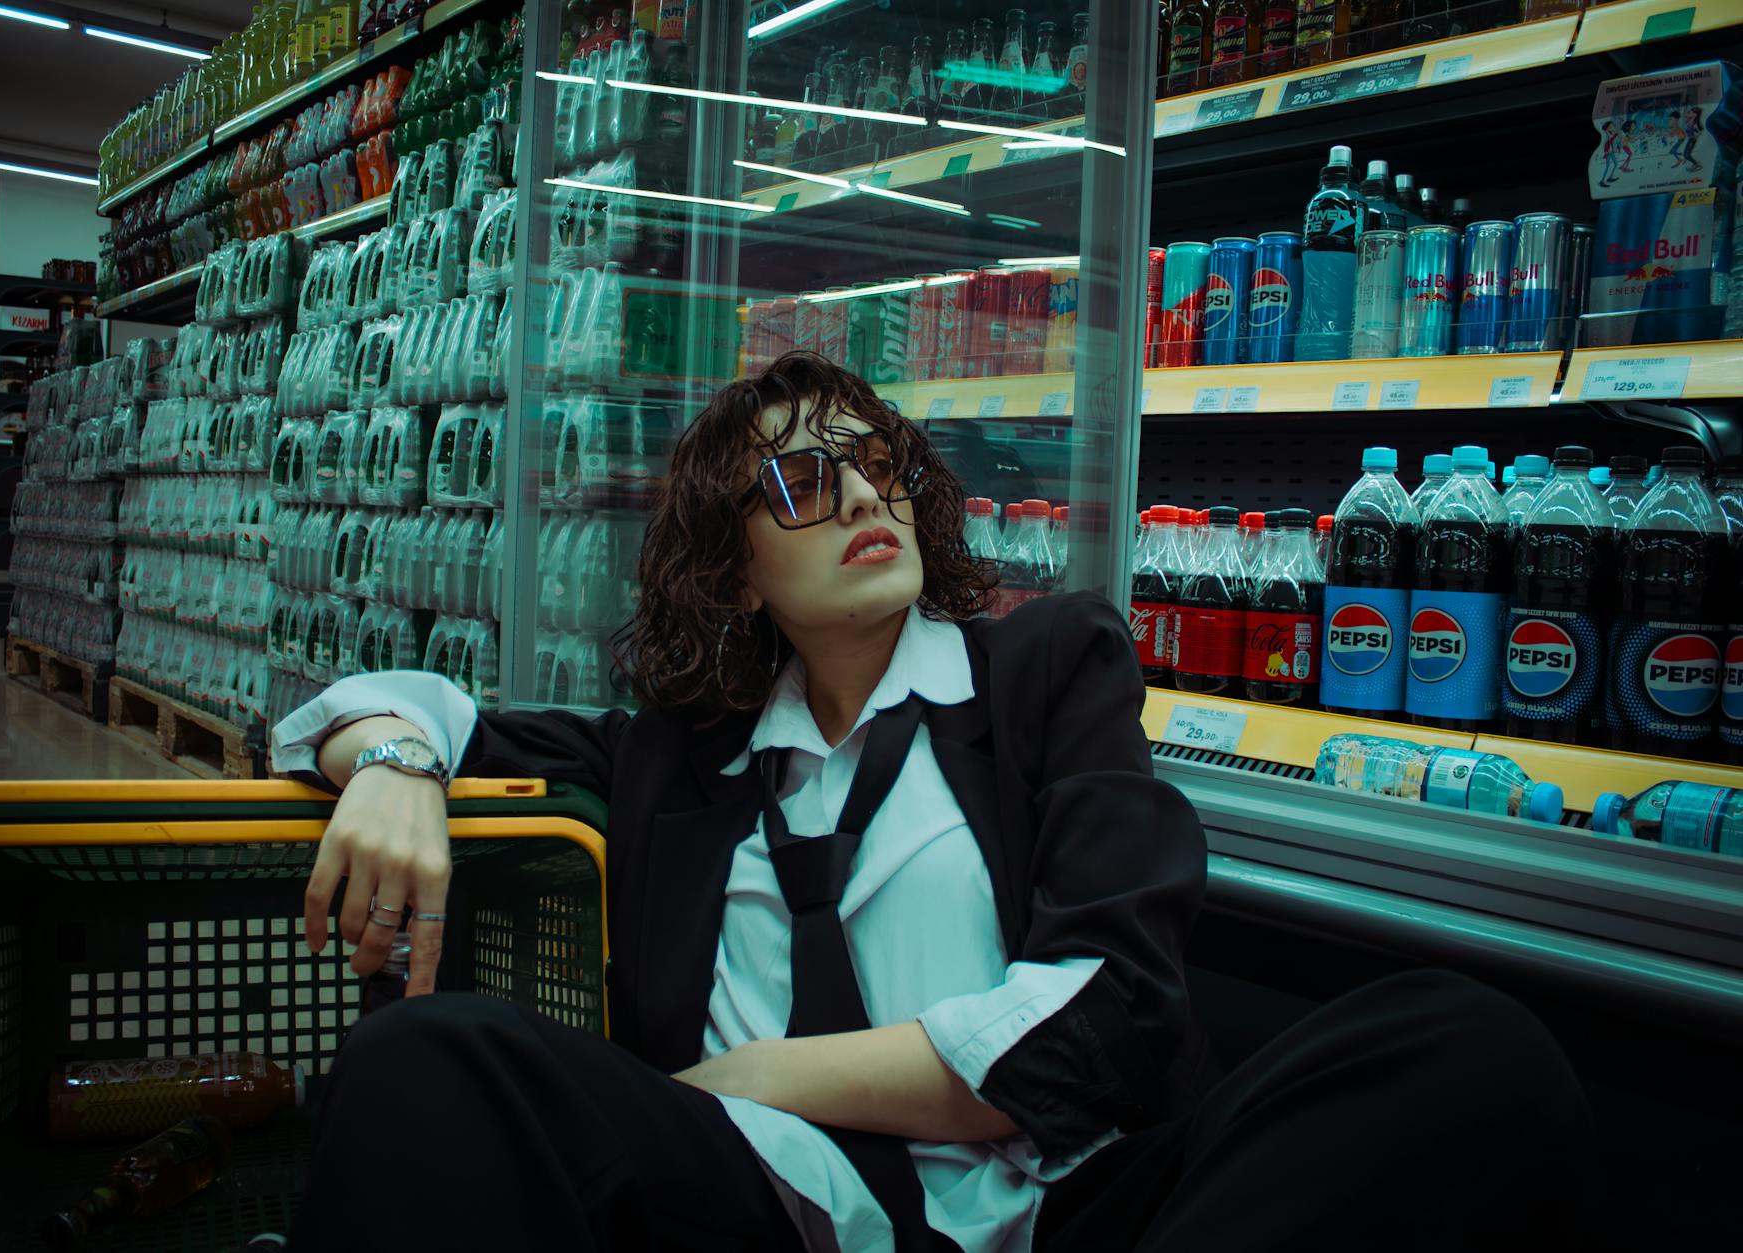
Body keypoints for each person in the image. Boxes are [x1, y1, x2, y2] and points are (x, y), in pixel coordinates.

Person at [275, 353, 1597, 1251]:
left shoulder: (1043, 673)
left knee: (1474, 1047)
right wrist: (392, 763)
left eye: (878, 457)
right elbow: (406, 704)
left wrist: (748, 1075)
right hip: (767, 1210)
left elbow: (1114, 1014)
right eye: (802, 479)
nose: (862, 490)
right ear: (733, 574)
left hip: (1068, 1219)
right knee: (415, 1063)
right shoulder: (679, 757)